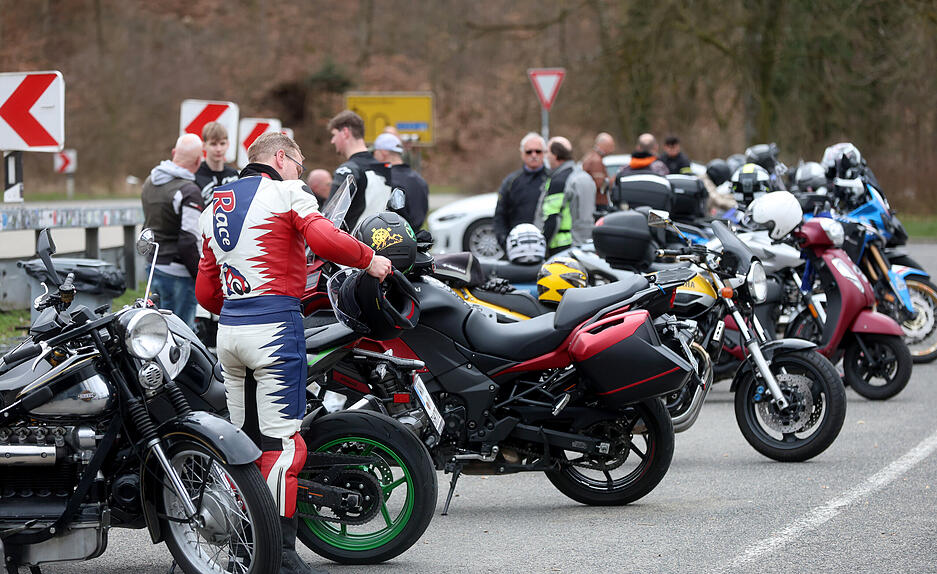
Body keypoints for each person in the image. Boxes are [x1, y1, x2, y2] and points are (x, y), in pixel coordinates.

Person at [196, 132, 392, 574]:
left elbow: (206, 290)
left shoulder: (215, 205)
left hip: (229, 335)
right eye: (299, 162)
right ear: (280, 158)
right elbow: (324, 240)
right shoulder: (286, 192)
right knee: (283, 445)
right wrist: (369, 259)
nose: (301, 171)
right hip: (274, 330)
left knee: (241, 443)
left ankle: (242, 544)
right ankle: (280, 554)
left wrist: (239, 304)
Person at [141, 132, 204, 328]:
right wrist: (201, 276)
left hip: (153, 267)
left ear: (174, 152)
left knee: (154, 332)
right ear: (198, 161)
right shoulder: (189, 191)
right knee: (181, 336)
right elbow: (188, 242)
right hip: (179, 274)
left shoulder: (149, 182)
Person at [327, 110, 392, 231]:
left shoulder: (347, 170)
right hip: (378, 242)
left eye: (334, 135)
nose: (333, 141)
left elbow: (329, 217)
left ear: (345, 132)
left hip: (350, 245)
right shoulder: (385, 169)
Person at [536, 136, 597, 255]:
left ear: (555, 155)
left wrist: (541, 247)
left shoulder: (559, 181)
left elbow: (552, 218)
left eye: (547, 152)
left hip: (562, 247)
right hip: (586, 245)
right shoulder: (584, 176)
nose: (546, 157)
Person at [493, 132, 549, 249]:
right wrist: (504, 241)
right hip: (516, 247)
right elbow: (500, 215)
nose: (534, 155)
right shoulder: (511, 181)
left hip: (545, 246)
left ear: (544, 153)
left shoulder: (553, 179)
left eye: (538, 151)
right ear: (522, 154)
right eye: (529, 152)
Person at [372, 132, 429, 229]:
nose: (374, 156)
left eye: (375, 152)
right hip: (416, 239)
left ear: (383, 152)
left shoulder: (384, 181)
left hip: (392, 239)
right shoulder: (420, 180)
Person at [195, 121, 239, 203]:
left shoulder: (234, 175)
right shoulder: (195, 175)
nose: (219, 149)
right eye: (213, 144)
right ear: (204, 145)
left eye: (222, 143)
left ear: (228, 144)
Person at [580, 132, 615, 207]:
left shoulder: (590, 156)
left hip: (590, 202)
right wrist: (614, 180)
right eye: (611, 146)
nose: (612, 149)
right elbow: (600, 185)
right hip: (598, 203)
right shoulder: (596, 161)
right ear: (603, 145)